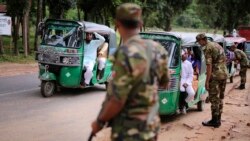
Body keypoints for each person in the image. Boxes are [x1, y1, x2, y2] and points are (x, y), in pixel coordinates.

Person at [90, 3, 169, 141]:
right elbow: (164, 83)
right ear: (140, 23)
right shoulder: (158, 49)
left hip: (129, 131)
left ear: (117, 24)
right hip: (151, 127)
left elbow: (117, 100)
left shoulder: (123, 54)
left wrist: (99, 122)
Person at [196, 33, 228, 128]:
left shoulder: (207, 48)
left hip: (215, 75)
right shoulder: (216, 44)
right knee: (220, 98)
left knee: (214, 98)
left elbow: (209, 66)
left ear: (203, 40)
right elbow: (224, 59)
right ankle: (218, 119)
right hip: (224, 73)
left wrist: (207, 81)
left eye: (199, 41)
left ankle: (214, 120)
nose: (199, 43)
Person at [179, 50, 195, 114]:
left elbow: (191, 75)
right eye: (184, 54)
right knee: (182, 90)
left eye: (186, 54)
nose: (186, 55)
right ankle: (181, 107)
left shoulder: (189, 63)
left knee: (192, 93)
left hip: (187, 80)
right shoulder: (178, 63)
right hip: (180, 80)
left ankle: (184, 104)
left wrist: (187, 83)